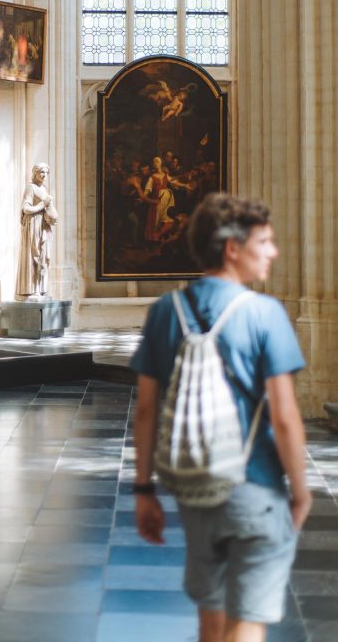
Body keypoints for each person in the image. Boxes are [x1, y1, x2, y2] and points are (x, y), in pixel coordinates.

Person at [130, 193, 311, 642]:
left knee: (211, 622)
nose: (273, 252)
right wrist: (301, 490)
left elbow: (147, 410)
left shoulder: (163, 312)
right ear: (232, 247)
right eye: (264, 242)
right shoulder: (265, 313)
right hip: (256, 487)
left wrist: (144, 490)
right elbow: (285, 416)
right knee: (247, 622)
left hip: (196, 490)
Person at [14, 162, 58, 299]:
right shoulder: (30, 188)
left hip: (43, 225)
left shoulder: (44, 189)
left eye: (46, 173)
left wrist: (51, 216)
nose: (44, 175)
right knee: (33, 255)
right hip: (33, 225)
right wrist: (42, 204)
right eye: (41, 172)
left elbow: (47, 208)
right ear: (35, 173)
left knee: (43, 256)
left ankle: (41, 289)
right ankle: (30, 290)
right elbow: (26, 208)